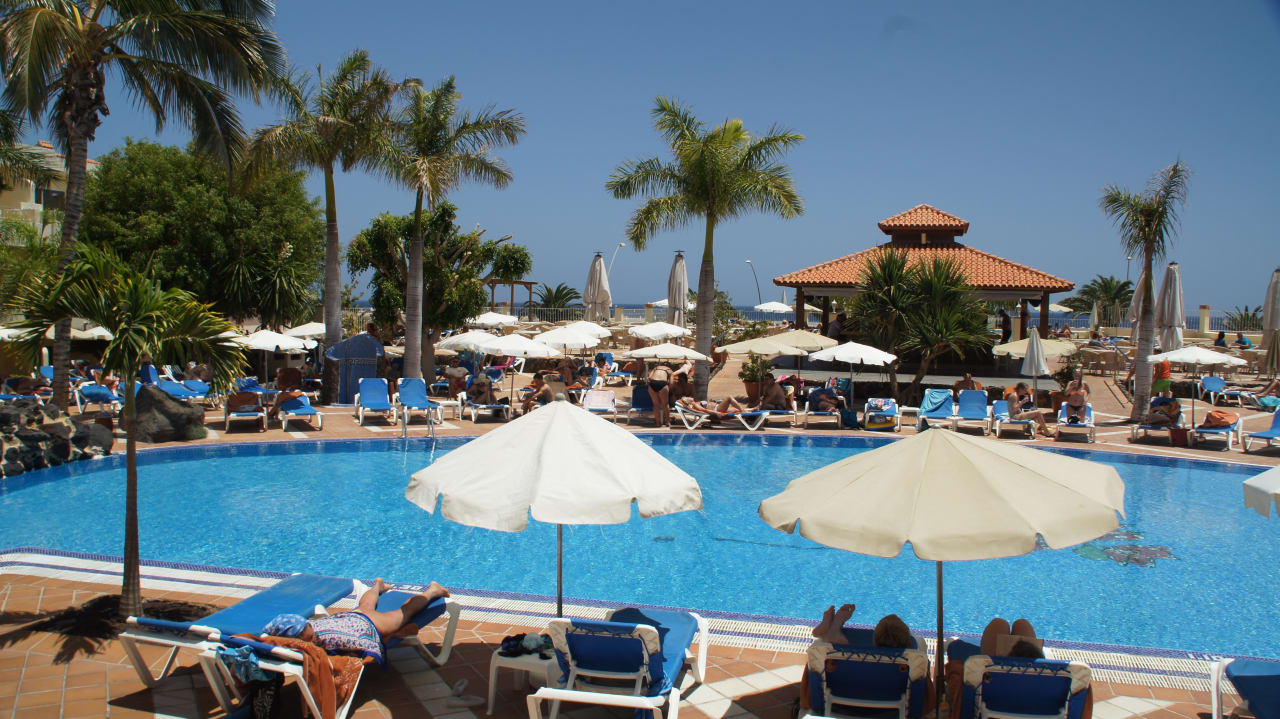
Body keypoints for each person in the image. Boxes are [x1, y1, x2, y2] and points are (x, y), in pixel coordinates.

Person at [263, 578, 450, 665]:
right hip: (350, 617)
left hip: (371, 623)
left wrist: (371, 656)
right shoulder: (313, 626)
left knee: (405, 613)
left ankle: (433, 591)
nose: (307, 628)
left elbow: (365, 646)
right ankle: (377, 586)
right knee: (366, 605)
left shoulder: (328, 638)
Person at [806, 605, 936, 713]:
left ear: (874, 642)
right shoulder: (908, 665)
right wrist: (925, 669)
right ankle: (832, 633)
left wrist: (809, 666)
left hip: (839, 707)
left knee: (822, 649)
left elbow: (807, 700)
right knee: (920, 644)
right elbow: (928, 706)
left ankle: (830, 635)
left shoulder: (856, 662)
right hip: (891, 711)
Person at [676, 395, 748, 419]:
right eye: (688, 397)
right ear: (688, 401)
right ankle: (744, 411)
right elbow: (705, 410)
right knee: (729, 398)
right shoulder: (695, 404)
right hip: (717, 409)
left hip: (718, 407)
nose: (690, 396)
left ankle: (750, 412)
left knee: (737, 410)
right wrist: (716, 413)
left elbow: (698, 412)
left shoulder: (695, 404)